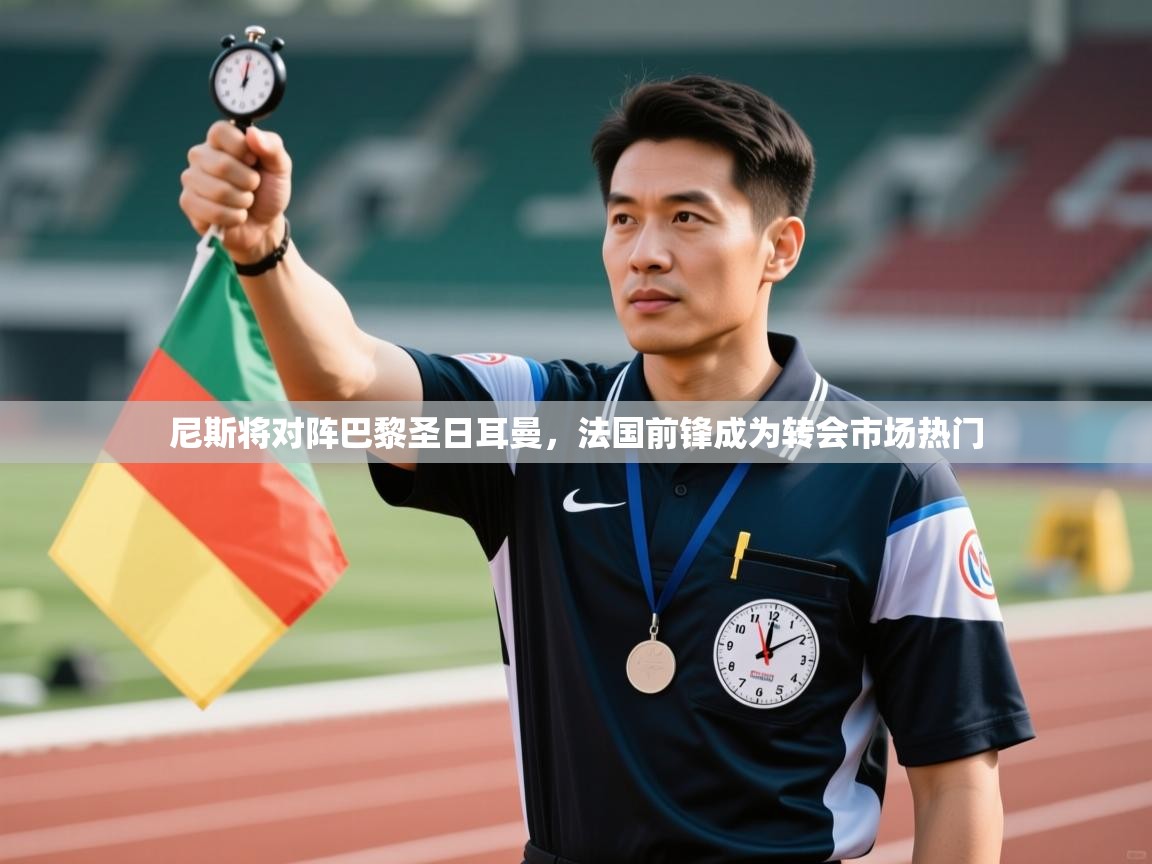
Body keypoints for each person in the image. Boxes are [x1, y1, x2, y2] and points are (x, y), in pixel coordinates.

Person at [180, 75, 1034, 863]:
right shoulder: (533, 421)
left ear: (779, 248)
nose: (644, 253)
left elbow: (958, 783)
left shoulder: (896, 481)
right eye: (623, 219)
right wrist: (264, 247)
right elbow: (345, 374)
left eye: (687, 219)